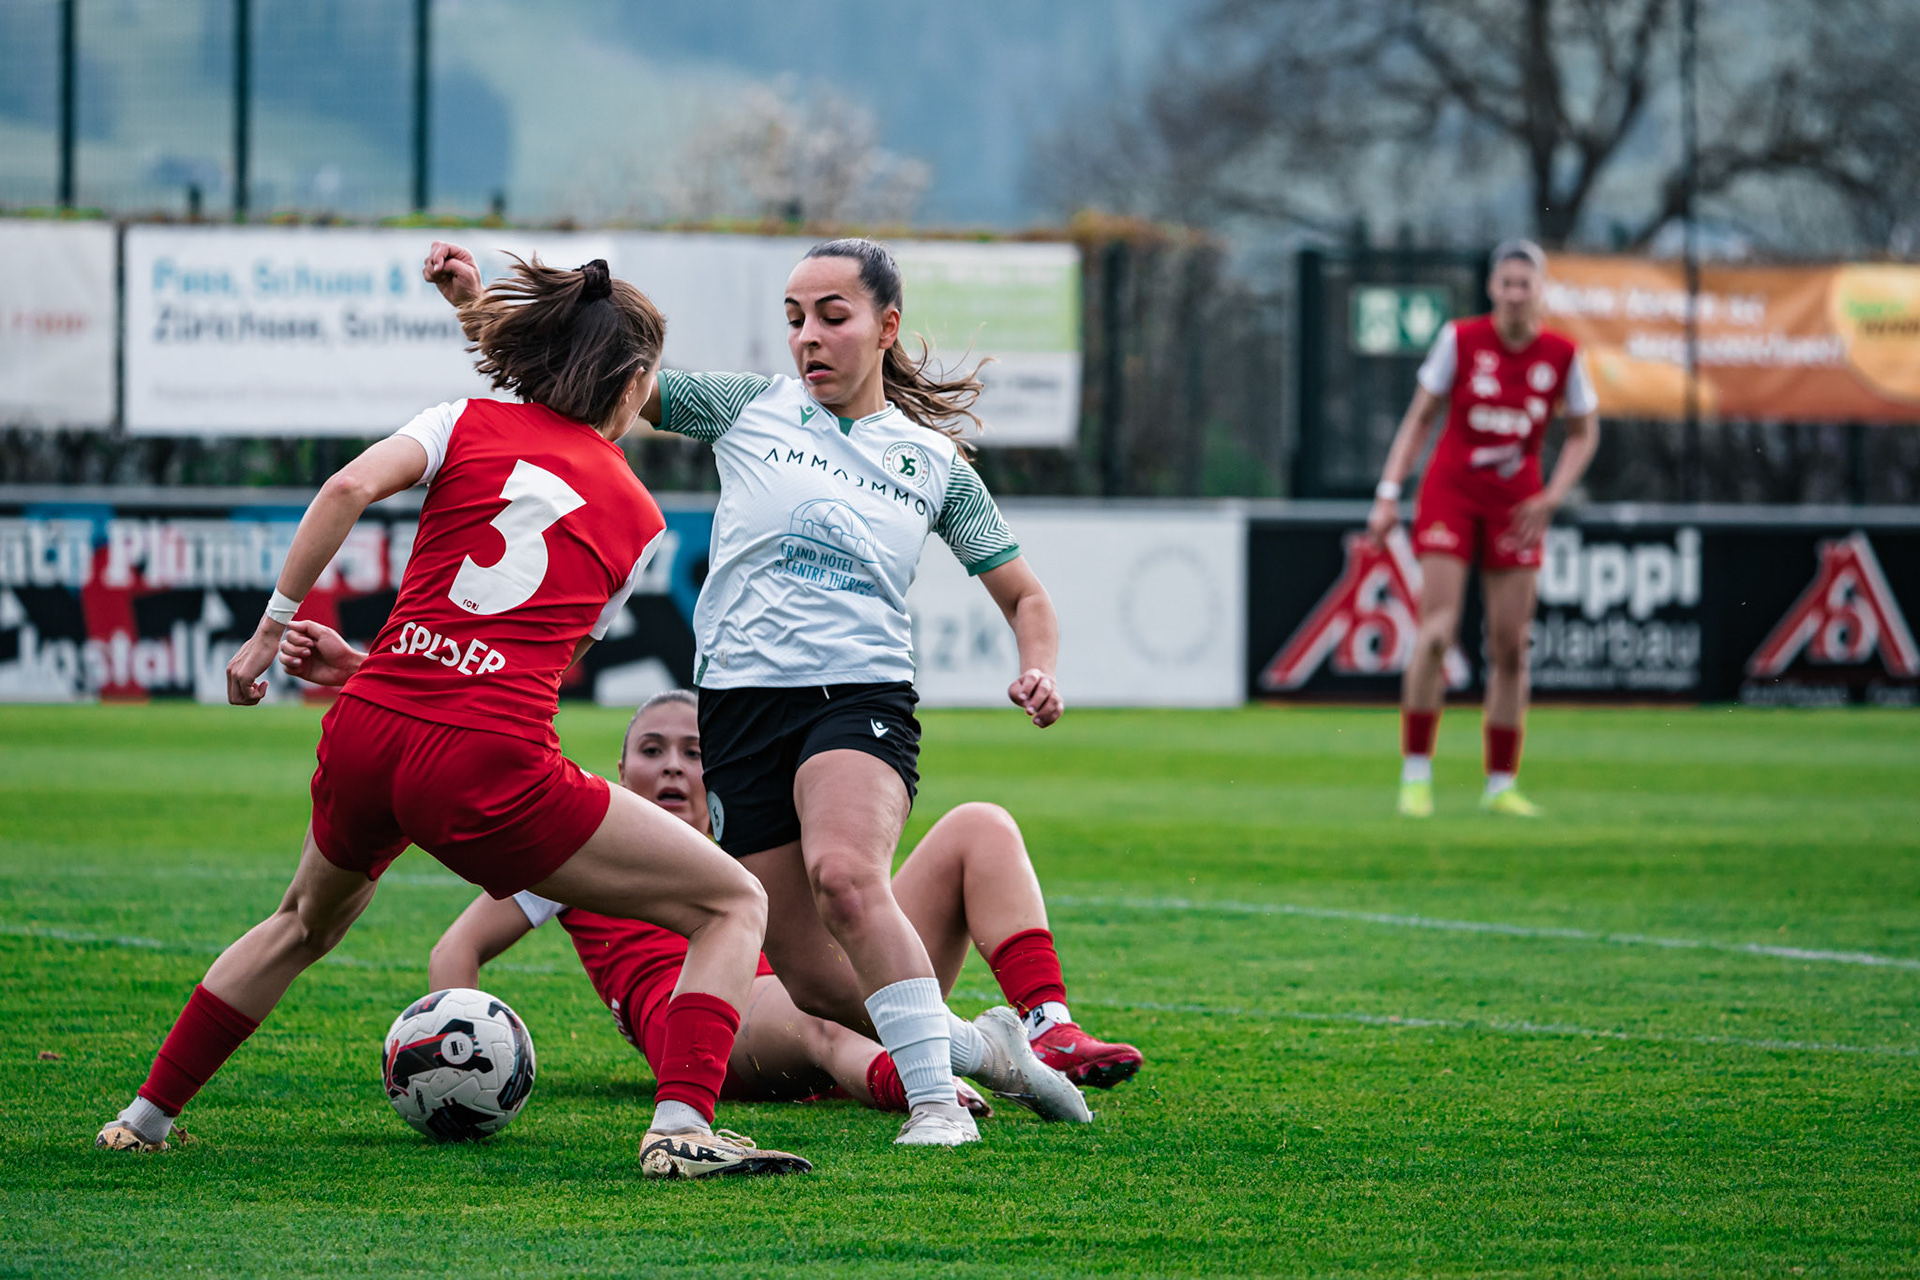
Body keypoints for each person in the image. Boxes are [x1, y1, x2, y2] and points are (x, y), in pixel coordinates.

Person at [94, 256, 810, 1180]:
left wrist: (276, 635)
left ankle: (144, 1118)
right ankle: (679, 1129)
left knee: (300, 924)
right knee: (730, 900)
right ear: (632, 383)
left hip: (370, 724)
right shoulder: (638, 518)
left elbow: (349, 488)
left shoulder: (460, 421)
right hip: (484, 764)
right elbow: (535, 669)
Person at [419, 238, 1086, 1147]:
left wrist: (1037, 662)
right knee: (813, 978)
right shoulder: (748, 408)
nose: (808, 336)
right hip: (736, 708)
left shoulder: (933, 462)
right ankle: (983, 1049)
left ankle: (937, 1109)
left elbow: (1026, 594)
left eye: (832, 317)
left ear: (887, 328)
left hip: (858, 695)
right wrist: (472, 307)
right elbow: (588, 380)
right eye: (794, 318)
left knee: (846, 875)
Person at [379, 688, 1143, 1120]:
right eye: (652, 751)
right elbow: (457, 950)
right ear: (618, 768)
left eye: (694, 751)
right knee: (810, 1014)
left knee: (981, 825)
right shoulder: (588, 841)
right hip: (723, 1023)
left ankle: (1049, 1028)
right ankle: (924, 1081)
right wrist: (469, 1048)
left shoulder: (747, 830)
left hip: (834, 984)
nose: (673, 767)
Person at [1366, 239, 1601, 819]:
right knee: (1437, 633)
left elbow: (1583, 432)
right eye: (1507, 284)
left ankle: (1501, 783)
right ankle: (1416, 773)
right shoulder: (1461, 340)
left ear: (1541, 289)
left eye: (1526, 284)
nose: (1516, 294)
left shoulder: (1563, 356)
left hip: (1517, 505)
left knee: (1510, 646)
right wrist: (1389, 493)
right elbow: (1420, 419)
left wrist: (1551, 495)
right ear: (1492, 288)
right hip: (1451, 494)